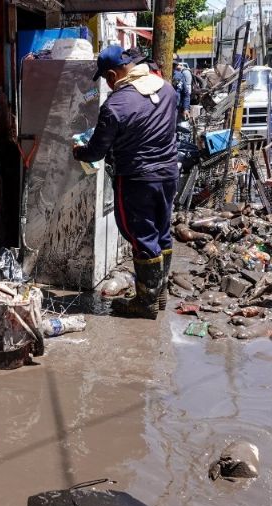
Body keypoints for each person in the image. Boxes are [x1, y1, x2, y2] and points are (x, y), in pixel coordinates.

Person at [73, 45, 178, 319]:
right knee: (161, 231)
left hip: (137, 178)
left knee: (142, 236)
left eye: (106, 79)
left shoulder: (116, 105)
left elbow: (96, 151)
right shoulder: (166, 89)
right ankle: (159, 292)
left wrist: (79, 151)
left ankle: (145, 302)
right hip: (167, 174)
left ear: (111, 74)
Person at [172, 56, 193, 121]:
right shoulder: (160, 76)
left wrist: (186, 109)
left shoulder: (179, 75)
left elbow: (186, 94)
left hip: (176, 108)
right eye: (172, 65)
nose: (173, 67)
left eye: (174, 65)